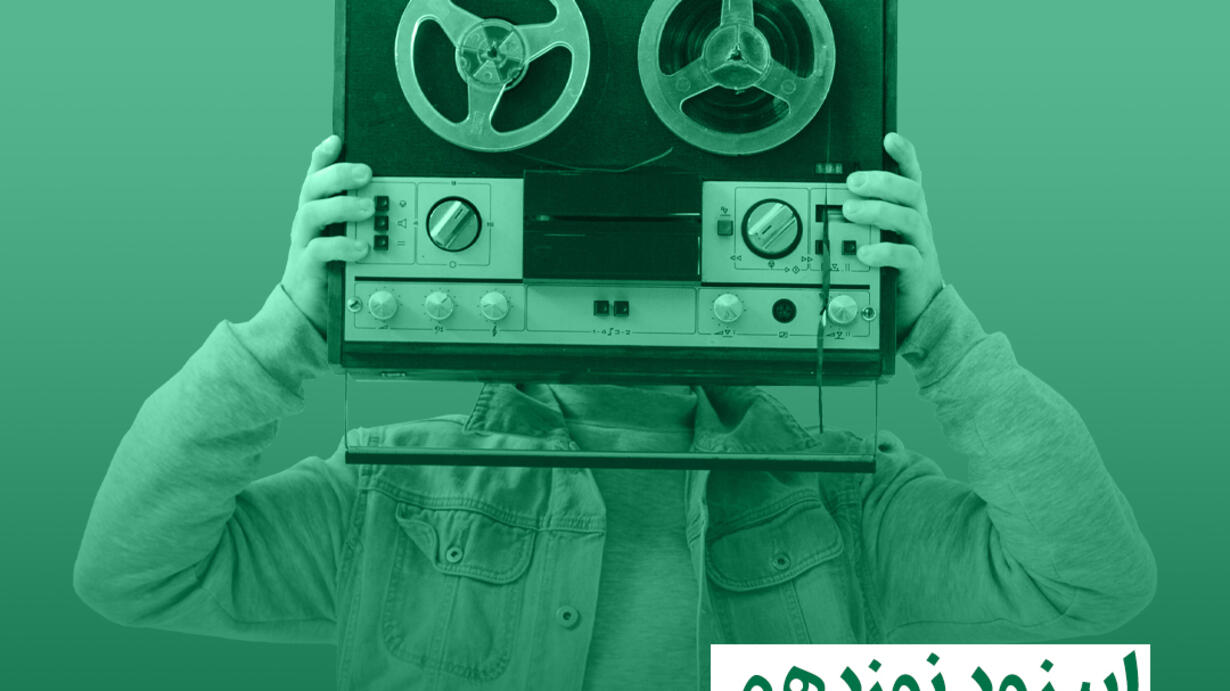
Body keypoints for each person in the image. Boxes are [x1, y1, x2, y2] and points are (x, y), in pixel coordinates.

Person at [74, 133, 1156, 690]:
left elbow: (1093, 583)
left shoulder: (843, 497)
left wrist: (933, 329)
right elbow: (131, 571)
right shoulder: (393, 491)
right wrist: (291, 327)